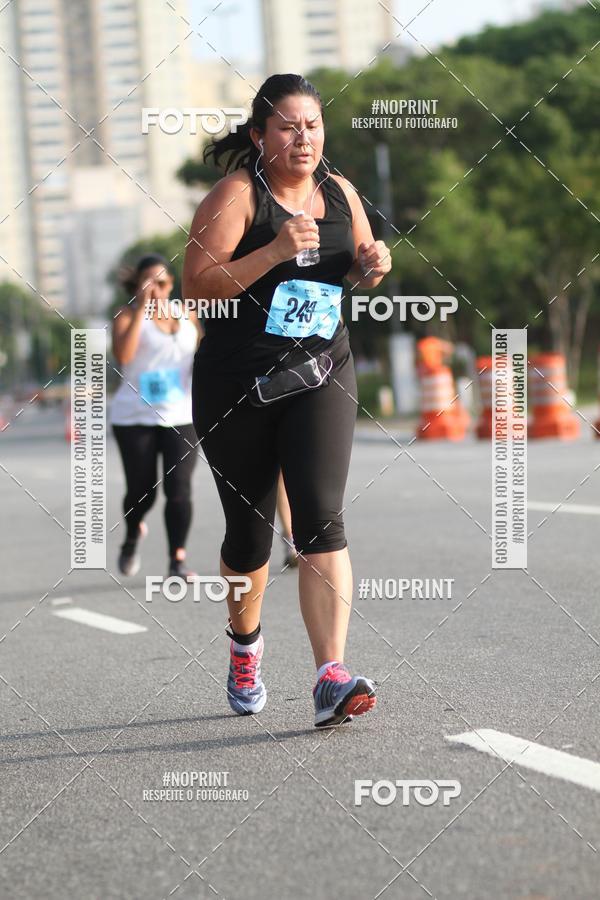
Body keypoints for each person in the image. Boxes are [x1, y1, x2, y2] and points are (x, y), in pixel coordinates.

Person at [183, 74, 392, 727]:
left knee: (320, 519)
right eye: (287, 127)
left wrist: (371, 266)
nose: (304, 139)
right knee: (249, 538)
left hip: (321, 371)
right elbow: (197, 288)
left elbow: (354, 265)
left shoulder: (340, 192)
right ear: (258, 135)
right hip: (237, 389)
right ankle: (244, 646)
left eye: (312, 126)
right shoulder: (238, 195)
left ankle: (330, 674)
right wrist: (274, 250)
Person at [110, 254, 202, 579]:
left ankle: (177, 560)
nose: (156, 290)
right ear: (136, 286)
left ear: (171, 284)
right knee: (142, 491)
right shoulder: (127, 316)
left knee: (179, 489)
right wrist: (141, 310)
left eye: (161, 283)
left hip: (181, 415)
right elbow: (124, 355)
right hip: (135, 418)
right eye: (148, 284)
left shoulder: (186, 314)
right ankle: (133, 534)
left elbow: (203, 355)